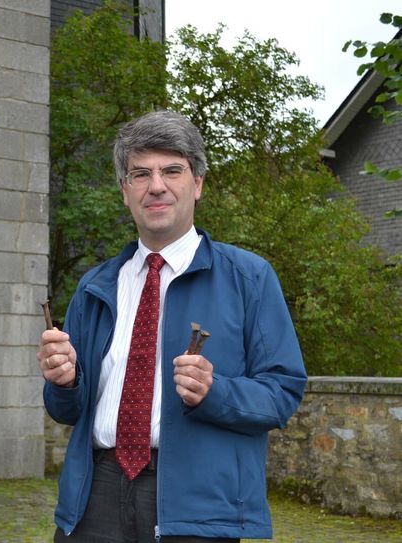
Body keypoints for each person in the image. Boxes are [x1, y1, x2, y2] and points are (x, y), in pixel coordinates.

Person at [37, 110, 307, 542]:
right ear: (125, 192)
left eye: (172, 170)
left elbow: (282, 393)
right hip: (94, 499)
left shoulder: (249, 279)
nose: (156, 185)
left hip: (198, 506)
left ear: (197, 183)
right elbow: (65, 411)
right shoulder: (96, 285)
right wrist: (64, 382)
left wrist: (214, 393)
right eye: (140, 173)